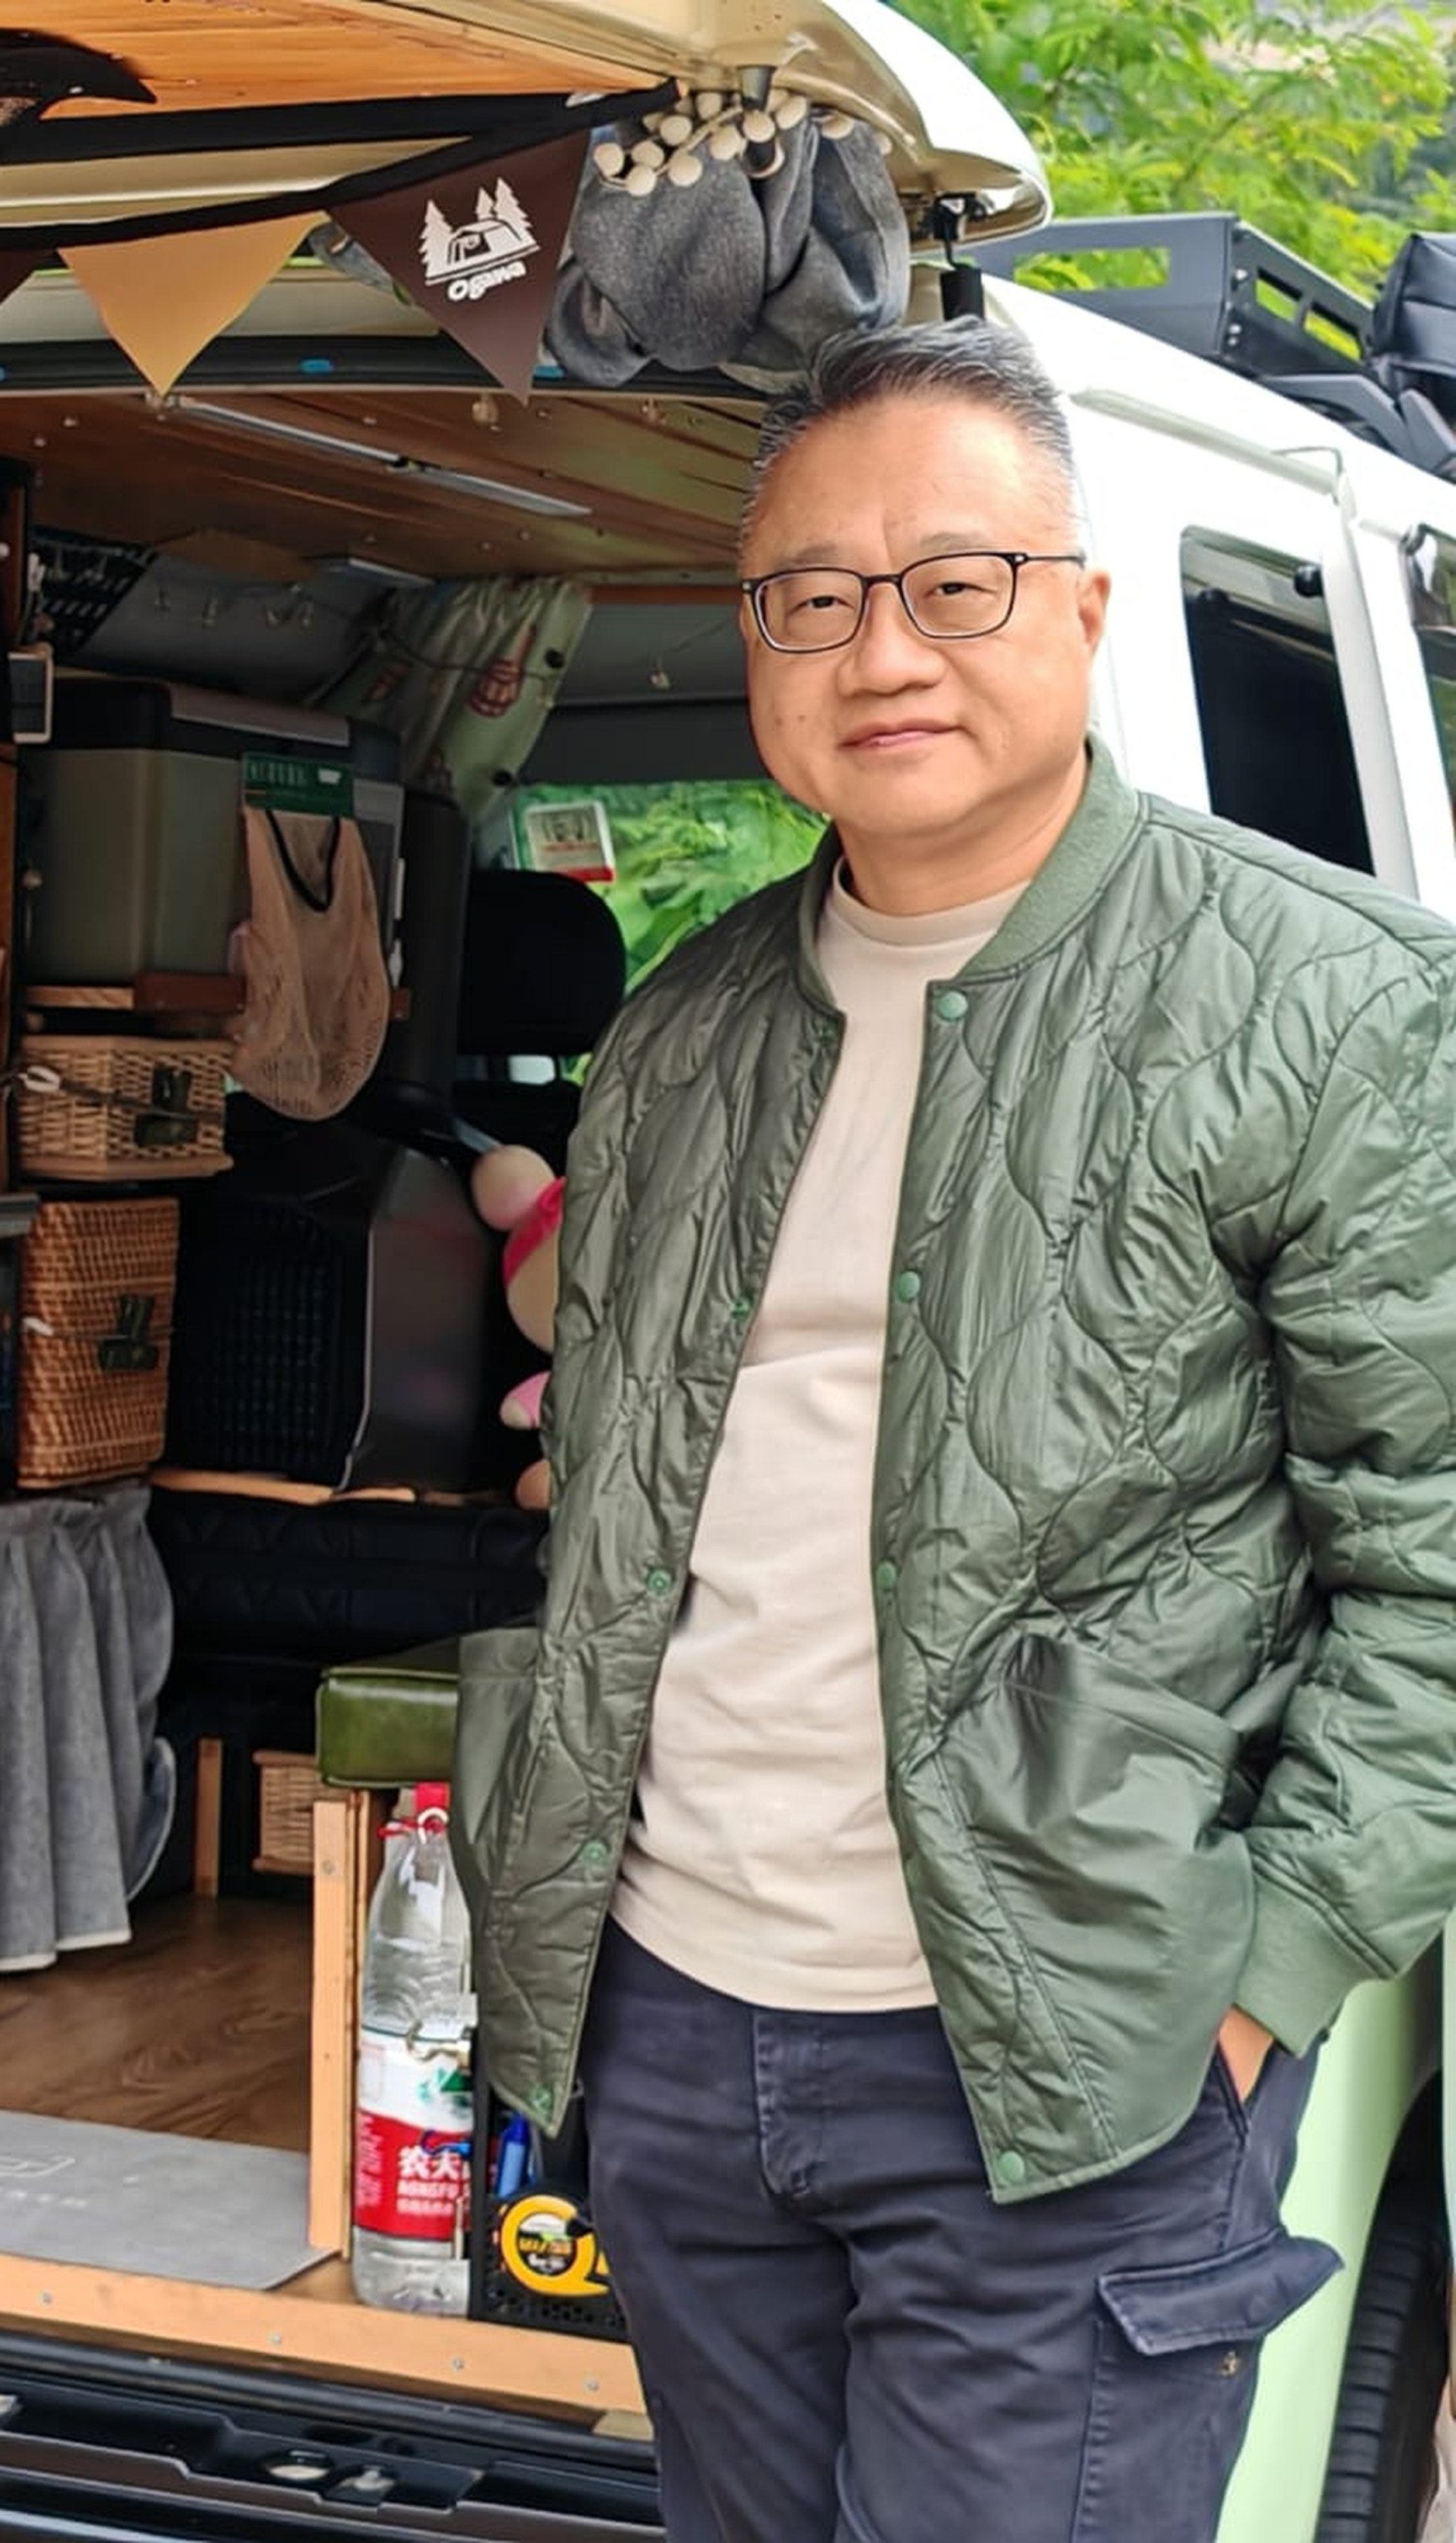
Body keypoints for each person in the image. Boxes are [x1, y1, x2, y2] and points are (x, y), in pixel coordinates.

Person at [452, 317, 1456, 2540]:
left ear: (1083, 608)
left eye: (956, 579)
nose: (880, 644)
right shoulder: (688, 1027)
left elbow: (1437, 1555)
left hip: (1081, 2058)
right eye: (815, 594)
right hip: (687, 2030)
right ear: (756, 643)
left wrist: (1264, 1976)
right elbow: (615, 1516)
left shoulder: (1336, 1006)